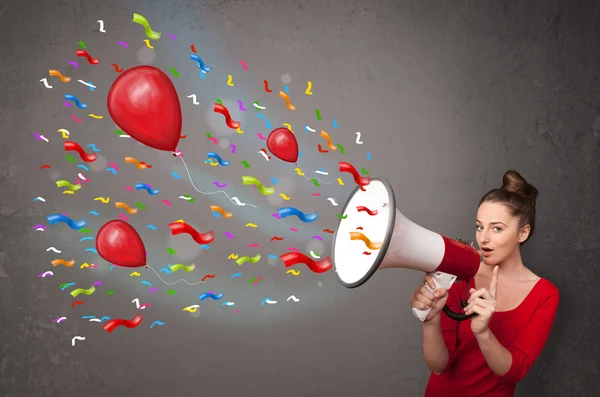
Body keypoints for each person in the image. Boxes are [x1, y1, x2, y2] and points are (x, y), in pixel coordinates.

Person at [410, 170, 560, 397]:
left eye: (497, 228)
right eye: (480, 227)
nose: (483, 238)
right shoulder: (458, 275)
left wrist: (483, 333)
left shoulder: (545, 295)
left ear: (523, 233)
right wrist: (430, 322)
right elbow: (439, 365)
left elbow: (514, 372)